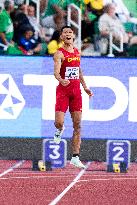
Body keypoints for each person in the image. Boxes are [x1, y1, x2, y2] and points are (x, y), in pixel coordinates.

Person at [53, 26, 93, 169]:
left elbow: (78, 70)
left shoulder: (77, 52)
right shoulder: (59, 53)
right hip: (63, 92)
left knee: (78, 125)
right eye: (65, 33)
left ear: (73, 36)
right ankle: (59, 130)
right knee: (59, 122)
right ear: (62, 37)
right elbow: (56, 72)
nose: (68, 34)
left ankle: (75, 157)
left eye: (70, 32)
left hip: (76, 93)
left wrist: (85, 87)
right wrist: (61, 79)